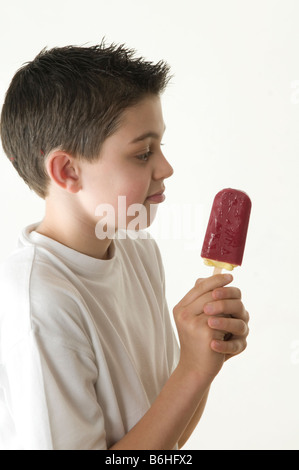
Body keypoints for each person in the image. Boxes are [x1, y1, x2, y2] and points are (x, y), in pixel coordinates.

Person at [0, 42, 249, 450]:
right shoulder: (38, 304)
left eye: (161, 147)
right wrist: (189, 371)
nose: (166, 168)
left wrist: (203, 363)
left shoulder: (137, 250)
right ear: (67, 171)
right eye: (143, 153)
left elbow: (162, 440)